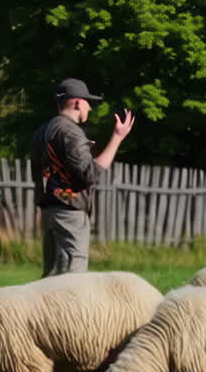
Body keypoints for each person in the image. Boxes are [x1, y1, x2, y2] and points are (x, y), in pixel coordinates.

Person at [32, 78, 134, 277]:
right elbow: (90, 174)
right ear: (77, 102)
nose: (90, 108)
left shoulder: (42, 131)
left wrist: (85, 149)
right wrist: (117, 138)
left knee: (50, 279)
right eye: (88, 102)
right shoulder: (70, 131)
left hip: (49, 210)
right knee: (73, 279)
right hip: (69, 211)